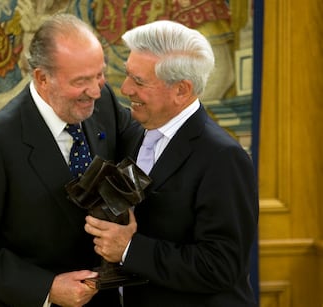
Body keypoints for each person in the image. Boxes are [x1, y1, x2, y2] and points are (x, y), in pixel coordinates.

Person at [0, 13, 137, 307]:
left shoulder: (103, 100)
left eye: (99, 74)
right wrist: (47, 288)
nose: (96, 90)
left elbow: (142, 153)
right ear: (42, 78)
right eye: (82, 81)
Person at [84, 20, 259, 307]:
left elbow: (220, 266)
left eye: (139, 81)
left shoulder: (224, 158)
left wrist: (129, 248)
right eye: (128, 76)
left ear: (182, 90)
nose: (125, 89)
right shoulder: (134, 135)